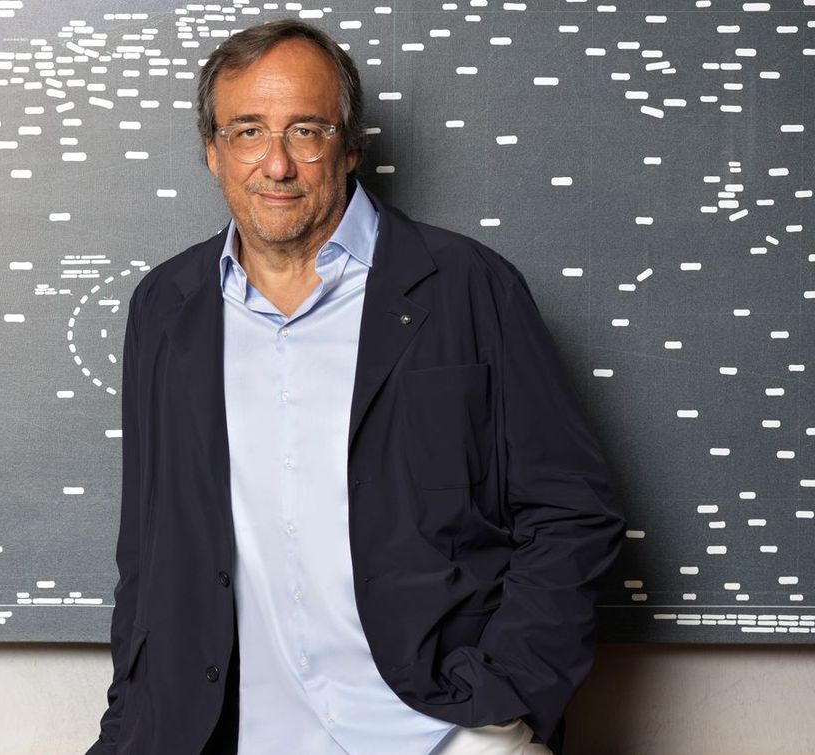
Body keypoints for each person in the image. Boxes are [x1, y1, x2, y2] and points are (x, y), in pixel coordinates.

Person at [88, 19, 624, 755]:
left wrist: (506, 695)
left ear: (348, 146)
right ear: (212, 152)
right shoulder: (165, 307)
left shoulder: (470, 286)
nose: (275, 164)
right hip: (231, 735)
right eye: (247, 131)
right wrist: (128, 725)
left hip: (441, 731)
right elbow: (147, 553)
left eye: (305, 130)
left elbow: (571, 510)